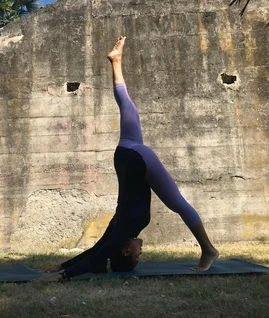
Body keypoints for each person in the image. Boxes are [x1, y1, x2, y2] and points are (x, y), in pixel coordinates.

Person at [37, 36, 219, 282]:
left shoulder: (125, 227)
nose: (140, 253)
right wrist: (61, 265)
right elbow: (97, 252)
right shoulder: (119, 225)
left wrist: (62, 274)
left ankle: (208, 249)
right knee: (127, 107)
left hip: (135, 158)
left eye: (135, 257)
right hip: (126, 153)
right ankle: (116, 63)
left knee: (178, 203)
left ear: (125, 251)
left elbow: (96, 257)